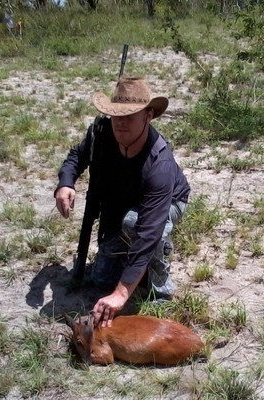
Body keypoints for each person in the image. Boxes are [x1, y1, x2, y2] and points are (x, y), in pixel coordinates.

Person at [54, 77, 190, 328]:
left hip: (168, 204)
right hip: (124, 203)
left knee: (135, 224)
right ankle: (136, 266)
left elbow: (149, 231)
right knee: (102, 280)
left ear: (148, 115)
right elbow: (77, 156)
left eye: (130, 115)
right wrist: (65, 183)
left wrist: (122, 294)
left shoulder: (160, 164)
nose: (121, 123)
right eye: (116, 115)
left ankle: (161, 286)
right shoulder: (102, 134)